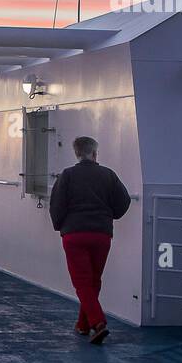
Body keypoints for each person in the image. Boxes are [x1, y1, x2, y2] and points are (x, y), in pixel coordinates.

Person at [49, 136, 131, 344]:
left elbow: (57, 205)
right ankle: (83, 325)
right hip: (101, 234)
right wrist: (110, 216)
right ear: (95, 153)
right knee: (94, 280)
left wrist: (61, 226)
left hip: (74, 235)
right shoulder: (108, 175)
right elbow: (124, 201)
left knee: (82, 282)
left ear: (76, 153)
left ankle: (97, 322)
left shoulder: (67, 175)